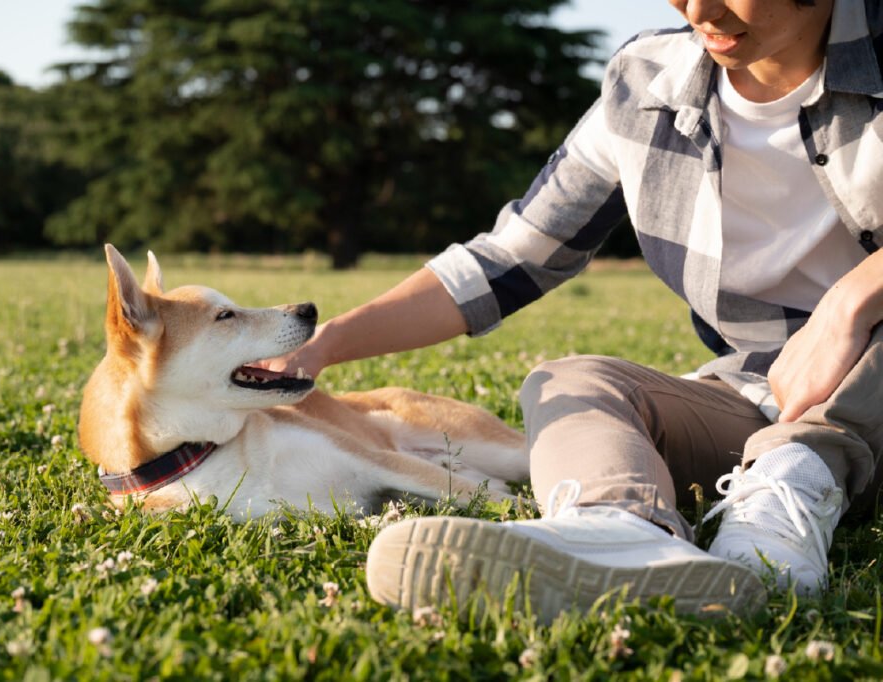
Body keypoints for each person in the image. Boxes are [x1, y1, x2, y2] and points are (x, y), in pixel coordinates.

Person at [270, 0, 883, 620]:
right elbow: (510, 257)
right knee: (569, 381)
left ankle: (779, 515)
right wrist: (323, 344)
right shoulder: (649, 81)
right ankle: (621, 532)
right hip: (761, 393)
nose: (698, 9)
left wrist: (852, 299)